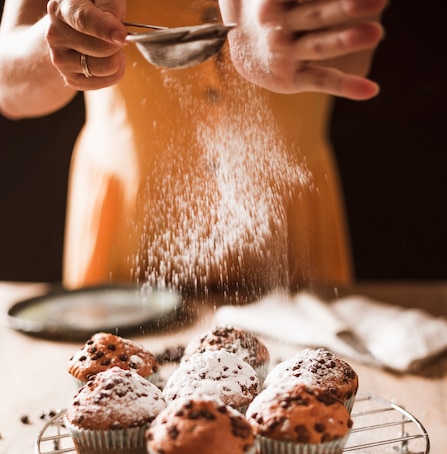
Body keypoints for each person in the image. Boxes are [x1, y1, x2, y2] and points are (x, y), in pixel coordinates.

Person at [0, 0, 385, 296]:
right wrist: (60, 42)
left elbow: (355, 50)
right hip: (124, 224)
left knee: (307, 390)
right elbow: (10, 89)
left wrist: (321, 44)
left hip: (292, 223)